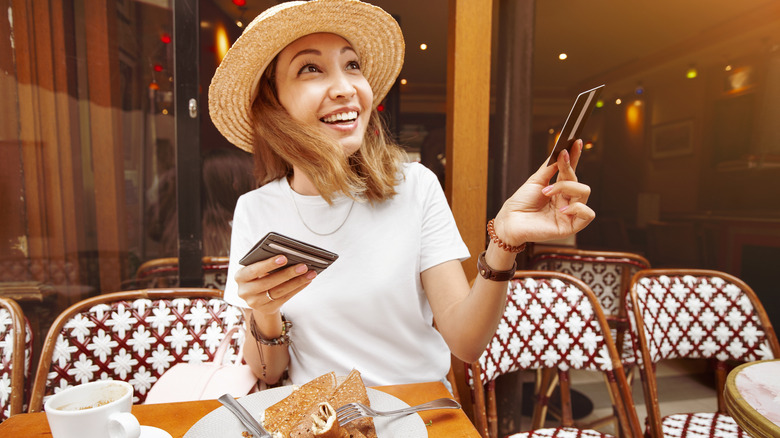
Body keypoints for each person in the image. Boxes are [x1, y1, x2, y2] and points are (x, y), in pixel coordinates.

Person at [209, 0, 594, 389]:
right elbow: (267, 373)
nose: (345, 88)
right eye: (311, 68)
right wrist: (264, 311)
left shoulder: (415, 187)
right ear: (274, 103)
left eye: (352, 65)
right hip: (322, 421)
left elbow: (467, 343)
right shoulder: (256, 209)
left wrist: (505, 242)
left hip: (420, 411)